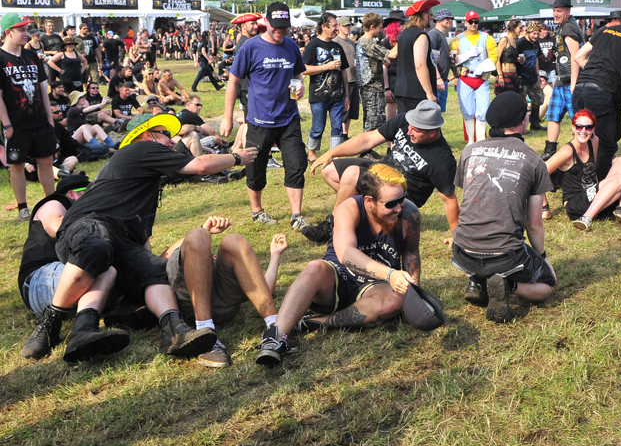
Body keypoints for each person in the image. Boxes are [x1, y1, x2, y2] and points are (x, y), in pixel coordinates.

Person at [51, 113, 259, 360]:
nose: (173, 142)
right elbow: (200, 165)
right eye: (166, 135)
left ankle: (174, 332)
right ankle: (52, 326)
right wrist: (238, 157)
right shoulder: (141, 148)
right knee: (98, 244)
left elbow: (144, 249)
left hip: (119, 240)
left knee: (155, 270)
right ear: (147, 135)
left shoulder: (143, 185)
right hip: (88, 225)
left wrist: (144, 276)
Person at [255, 164, 421, 365]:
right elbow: (345, 253)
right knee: (315, 267)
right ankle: (275, 337)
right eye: (391, 203)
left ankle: (311, 323)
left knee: (394, 302)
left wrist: (415, 293)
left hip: (374, 286)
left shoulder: (409, 214)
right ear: (369, 201)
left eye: (401, 199)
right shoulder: (349, 208)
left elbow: (411, 253)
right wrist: (391, 274)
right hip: (339, 275)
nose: (398, 208)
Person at [451, 92, 556, 323]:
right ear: (521, 121)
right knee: (548, 284)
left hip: (462, 252)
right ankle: (508, 284)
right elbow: (534, 223)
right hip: (504, 256)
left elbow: (469, 200)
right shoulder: (533, 160)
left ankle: (476, 280)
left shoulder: (469, 151)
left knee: (484, 249)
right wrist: (542, 257)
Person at [308, 101, 458, 242]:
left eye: (416, 130)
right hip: (382, 171)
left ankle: (333, 227)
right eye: (410, 126)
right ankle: (365, 216)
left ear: (432, 133)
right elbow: (369, 139)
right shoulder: (404, 122)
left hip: (400, 196)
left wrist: (457, 237)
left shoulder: (442, 160)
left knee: (351, 174)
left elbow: (449, 200)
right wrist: (332, 153)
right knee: (329, 170)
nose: (409, 131)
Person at [18, 174, 130, 362]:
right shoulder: (55, 202)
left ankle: (84, 325)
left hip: (70, 287)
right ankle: (81, 330)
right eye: (88, 192)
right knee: (104, 269)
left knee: (117, 270)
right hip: (40, 280)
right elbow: (56, 226)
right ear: (72, 193)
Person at [222, 2, 312, 231]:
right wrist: (227, 117)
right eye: (276, 27)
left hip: (288, 118)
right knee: (255, 167)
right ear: (267, 22)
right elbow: (233, 81)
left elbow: (298, 74)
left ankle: (297, 215)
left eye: (284, 27)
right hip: (259, 119)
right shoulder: (251, 47)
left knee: (296, 164)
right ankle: (257, 211)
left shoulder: (291, 46)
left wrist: (300, 86)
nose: (280, 31)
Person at [161, 217, 288, 368]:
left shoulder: (227, 265)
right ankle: (204, 333)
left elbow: (262, 290)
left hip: (223, 302)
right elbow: (162, 260)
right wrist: (204, 229)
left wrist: (275, 255)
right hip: (190, 298)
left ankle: (276, 329)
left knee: (235, 240)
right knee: (198, 235)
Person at [569, 0, 621, 182]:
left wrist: (594, 71)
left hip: (581, 90)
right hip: (600, 93)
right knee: (606, 145)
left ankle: (573, 180)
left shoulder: (603, 30)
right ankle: (596, 190)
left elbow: (578, 56)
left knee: (585, 139)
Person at [0, 13, 57, 221]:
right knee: (17, 164)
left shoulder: (31, 56)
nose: (27, 34)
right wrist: (6, 124)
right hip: (16, 123)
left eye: (27, 29)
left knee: (46, 160)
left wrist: (50, 119)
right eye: (22, 30)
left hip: (40, 120)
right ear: (8, 32)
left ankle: (51, 201)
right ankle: (23, 208)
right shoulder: (1, 58)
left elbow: (43, 88)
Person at [544, 109, 621, 231]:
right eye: (579, 127)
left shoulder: (594, 142)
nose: (583, 131)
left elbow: (592, 171)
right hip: (575, 205)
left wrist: (603, 187)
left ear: (593, 129)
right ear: (573, 128)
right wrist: (545, 207)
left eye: (588, 127)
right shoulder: (568, 151)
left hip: (593, 196)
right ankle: (586, 218)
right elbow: (540, 173)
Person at [541, 0, 585, 160]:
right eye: (554, 11)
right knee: (553, 115)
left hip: (569, 82)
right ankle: (550, 150)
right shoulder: (564, 26)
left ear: (568, 11)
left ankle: (581, 150)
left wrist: (574, 83)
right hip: (561, 81)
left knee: (578, 119)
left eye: (559, 11)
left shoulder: (569, 29)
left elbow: (576, 56)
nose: (556, 14)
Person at [303, 12, 350, 161]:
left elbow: (344, 72)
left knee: (337, 127)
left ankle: (334, 155)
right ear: (324, 26)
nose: (337, 28)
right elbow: (304, 69)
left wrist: (347, 95)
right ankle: (312, 153)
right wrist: (327, 66)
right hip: (319, 96)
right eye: (334, 25)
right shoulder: (312, 45)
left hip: (337, 96)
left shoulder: (337, 46)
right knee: (318, 127)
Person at [450, 10, 497, 143]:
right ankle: (471, 140)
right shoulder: (457, 39)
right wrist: (464, 57)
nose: (473, 24)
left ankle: (481, 139)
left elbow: (494, 55)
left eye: (476, 21)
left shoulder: (486, 37)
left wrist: (484, 66)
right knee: (467, 110)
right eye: (471, 22)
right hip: (465, 78)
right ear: (466, 22)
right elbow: (452, 59)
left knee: (483, 110)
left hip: (481, 78)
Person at [394, 0, 439, 114]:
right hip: (416, 93)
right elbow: (420, 65)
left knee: (405, 128)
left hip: (402, 90)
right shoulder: (420, 35)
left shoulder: (404, 33)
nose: (431, 19)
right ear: (423, 15)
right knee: (421, 129)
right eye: (430, 15)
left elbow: (394, 54)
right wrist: (429, 92)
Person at [356, 12, 393, 133]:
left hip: (371, 88)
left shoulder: (363, 42)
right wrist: (401, 38)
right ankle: (366, 151)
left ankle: (367, 151)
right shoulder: (367, 44)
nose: (381, 30)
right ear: (372, 26)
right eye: (379, 27)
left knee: (373, 122)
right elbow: (391, 54)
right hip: (372, 89)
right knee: (372, 124)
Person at [335, 16, 360, 139]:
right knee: (343, 110)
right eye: (344, 26)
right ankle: (340, 134)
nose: (347, 28)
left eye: (348, 25)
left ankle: (345, 134)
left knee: (351, 111)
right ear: (338, 27)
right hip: (341, 79)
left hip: (353, 78)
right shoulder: (335, 42)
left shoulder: (352, 43)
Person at [517, 22, 544, 129]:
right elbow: (514, 58)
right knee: (522, 102)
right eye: (534, 33)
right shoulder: (520, 43)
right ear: (528, 32)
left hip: (533, 76)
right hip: (522, 77)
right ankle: (521, 125)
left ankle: (535, 124)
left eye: (538, 34)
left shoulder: (536, 43)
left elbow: (536, 58)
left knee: (537, 99)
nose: (536, 36)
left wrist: (538, 74)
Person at [428, 8, 454, 112]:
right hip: (437, 80)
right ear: (438, 20)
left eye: (451, 18)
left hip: (443, 79)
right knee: (434, 111)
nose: (450, 20)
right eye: (446, 18)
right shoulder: (434, 34)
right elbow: (432, 58)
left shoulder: (441, 35)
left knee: (439, 112)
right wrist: (438, 78)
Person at [495, 19, 524, 96]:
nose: (521, 30)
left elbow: (510, 57)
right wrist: (500, 75)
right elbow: (497, 58)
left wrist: (518, 59)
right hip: (505, 74)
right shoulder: (504, 40)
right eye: (520, 28)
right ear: (513, 28)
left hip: (514, 75)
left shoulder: (515, 41)